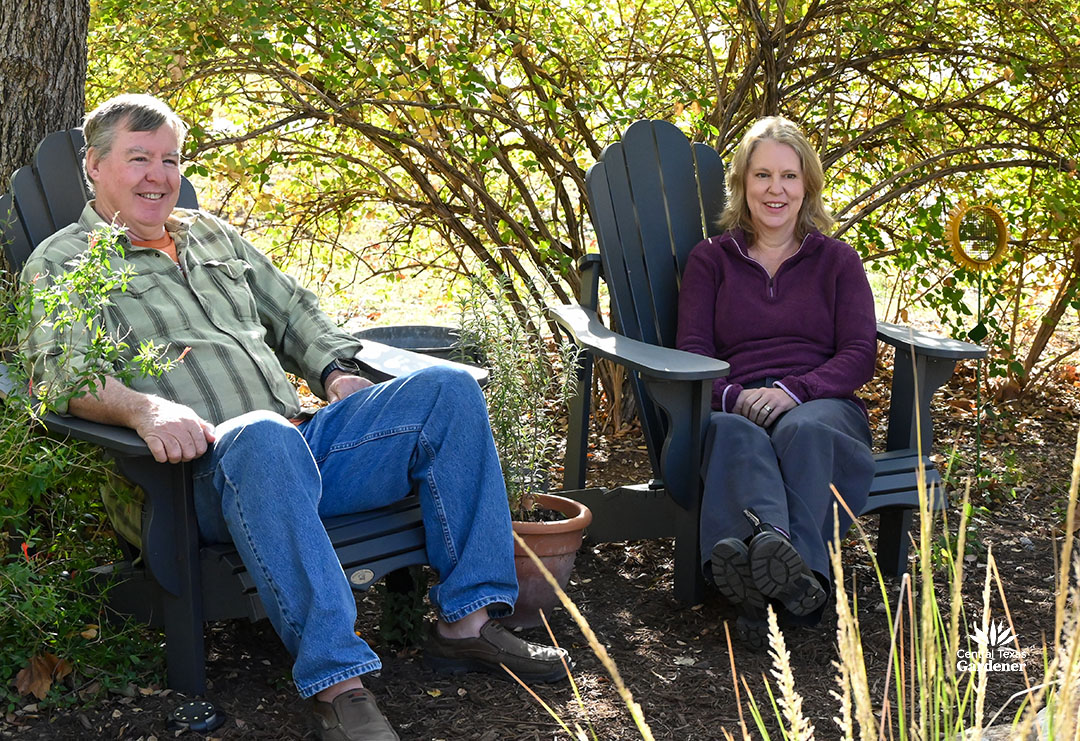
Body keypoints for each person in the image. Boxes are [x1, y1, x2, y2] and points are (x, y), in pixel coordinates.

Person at [22, 94, 569, 741]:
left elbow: (294, 312)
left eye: (169, 159)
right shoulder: (66, 261)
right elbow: (60, 371)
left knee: (447, 388)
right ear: (93, 164)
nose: (158, 175)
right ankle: (338, 683)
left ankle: (467, 623)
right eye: (138, 157)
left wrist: (335, 370)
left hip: (296, 449)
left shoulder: (212, 237)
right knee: (261, 433)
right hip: (188, 479)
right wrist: (145, 407)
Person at [675, 116, 877, 645]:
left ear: (806, 184)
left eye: (788, 176)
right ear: (743, 184)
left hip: (821, 402)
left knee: (802, 431)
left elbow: (859, 353)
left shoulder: (837, 260)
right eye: (762, 175)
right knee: (734, 434)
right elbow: (692, 352)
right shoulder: (710, 260)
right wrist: (735, 397)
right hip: (736, 401)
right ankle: (790, 582)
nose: (776, 189)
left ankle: (783, 575)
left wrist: (795, 391)